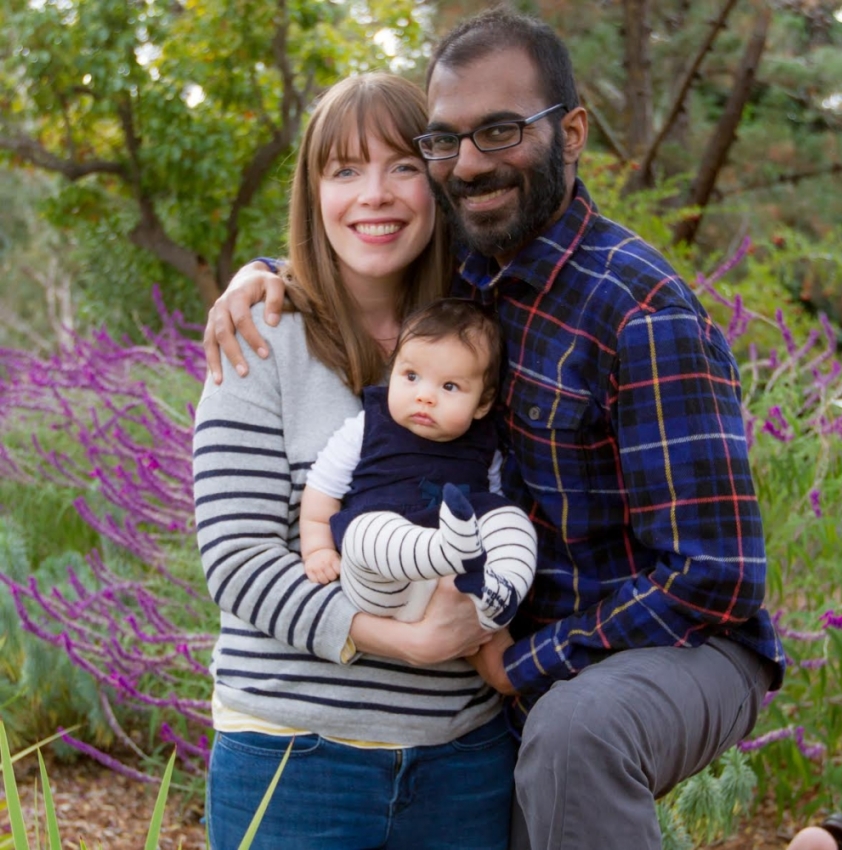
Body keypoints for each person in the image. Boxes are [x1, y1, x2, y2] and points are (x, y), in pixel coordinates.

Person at [203, 8, 787, 850]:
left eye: (499, 132)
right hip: (356, 728)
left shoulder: (609, 310)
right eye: (446, 142)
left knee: (575, 736)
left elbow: (716, 574)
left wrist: (518, 666)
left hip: (603, 672)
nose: (468, 165)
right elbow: (235, 555)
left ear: (572, 131)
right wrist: (267, 273)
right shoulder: (405, 304)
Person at [193, 71, 519, 850]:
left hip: (465, 762)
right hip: (292, 757)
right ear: (315, 194)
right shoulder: (260, 338)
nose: (375, 194)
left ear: (439, 178)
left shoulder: (489, 335)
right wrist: (405, 640)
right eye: (344, 170)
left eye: (403, 164)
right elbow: (235, 560)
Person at [300, 297, 537, 628]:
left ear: (482, 403)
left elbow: (492, 506)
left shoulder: (485, 443)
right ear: (393, 371)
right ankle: (444, 551)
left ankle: (500, 592)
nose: (425, 396)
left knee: (511, 519)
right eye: (411, 376)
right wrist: (316, 549)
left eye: (450, 386)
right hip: (384, 584)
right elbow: (322, 489)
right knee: (365, 532)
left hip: (455, 591)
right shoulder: (368, 426)